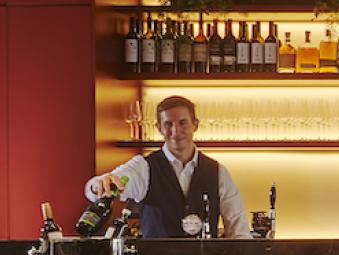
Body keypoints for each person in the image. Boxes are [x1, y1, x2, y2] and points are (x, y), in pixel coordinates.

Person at [85, 95, 250, 238]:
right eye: (168, 124)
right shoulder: (143, 167)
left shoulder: (218, 171)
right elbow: (113, 181)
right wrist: (98, 185)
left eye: (182, 123)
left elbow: (238, 227)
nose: (176, 131)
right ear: (159, 128)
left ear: (195, 125)